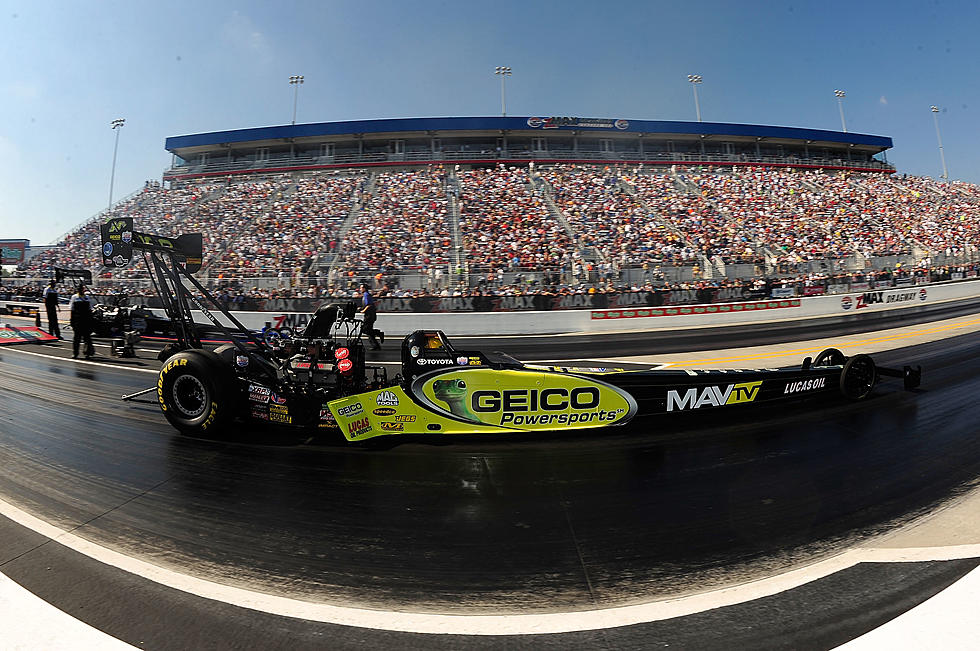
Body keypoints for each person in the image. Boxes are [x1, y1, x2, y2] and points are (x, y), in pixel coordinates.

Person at [69, 284, 95, 359]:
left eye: (82, 289)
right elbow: (72, 309)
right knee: (77, 338)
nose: (80, 290)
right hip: (77, 320)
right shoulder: (74, 297)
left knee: (87, 338)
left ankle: (88, 353)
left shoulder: (87, 298)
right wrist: (72, 321)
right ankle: (75, 353)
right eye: (79, 289)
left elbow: (90, 309)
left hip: (86, 320)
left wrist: (91, 321)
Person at [358, 283, 383, 350]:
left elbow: (369, 305)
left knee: (365, 329)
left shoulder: (366, 295)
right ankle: (376, 346)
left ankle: (378, 333)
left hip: (369, 315)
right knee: (369, 331)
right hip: (370, 315)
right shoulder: (367, 295)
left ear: (364, 288)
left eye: (361, 288)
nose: (360, 289)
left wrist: (363, 310)